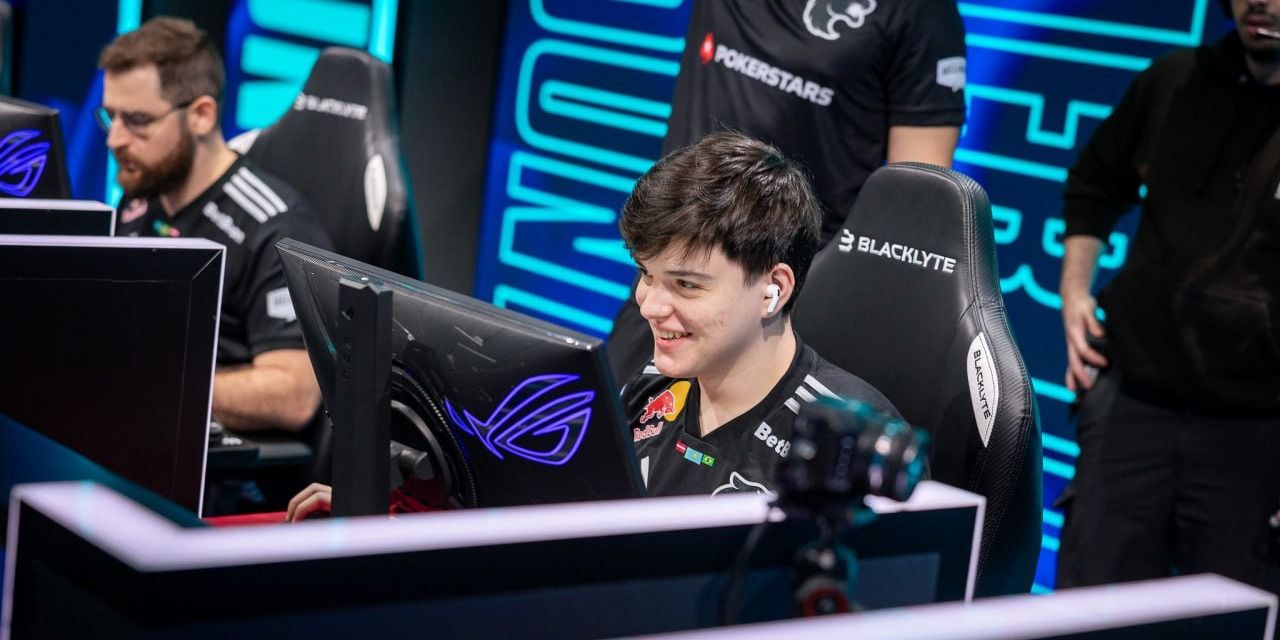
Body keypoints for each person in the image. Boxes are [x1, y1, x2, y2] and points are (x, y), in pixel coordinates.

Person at [285, 132, 899, 520]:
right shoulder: (652, 389)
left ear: (773, 289)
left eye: (686, 285)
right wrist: (397, 517)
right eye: (646, 275)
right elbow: (554, 521)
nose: (649, 306)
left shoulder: (844, 438)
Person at [608, 0, 968, 383]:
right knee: (605, 414)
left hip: (794, 298)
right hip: (678, 263)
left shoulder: (918, 12)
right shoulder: (658, 296)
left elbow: (913, 206)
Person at [1056, 0, 1280, 595]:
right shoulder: (1174, 79)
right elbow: (1095, 184)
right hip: (1132, 402)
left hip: (1257, 432)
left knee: (1227, 622)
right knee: (1086, 615)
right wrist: (1074, 291)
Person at [100, 17, 332, 433]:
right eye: (110, 116)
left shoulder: (275, 227)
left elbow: (294, 396)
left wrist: (148, 385)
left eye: (136, 120)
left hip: (220, 457)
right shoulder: (140, 197)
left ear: (202, 116)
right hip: (140, 427)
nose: (114, 139)